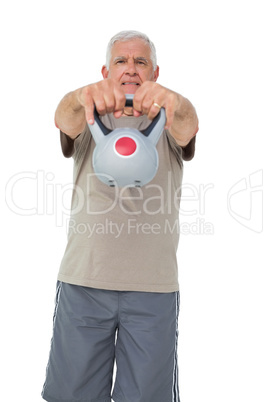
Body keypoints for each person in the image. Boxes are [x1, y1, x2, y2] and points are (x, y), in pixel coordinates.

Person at [41, 30, 199, 402]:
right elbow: (64, 117)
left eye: (140, 61)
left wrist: (175, 102)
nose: (131, 69)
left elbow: (189, 124)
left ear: (155, 73)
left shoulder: (171, 121)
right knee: (71, 395)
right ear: (106, 71)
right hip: (84, 282)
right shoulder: (86, 117)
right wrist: (83, 96)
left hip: (153, 289)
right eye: (121, 61)